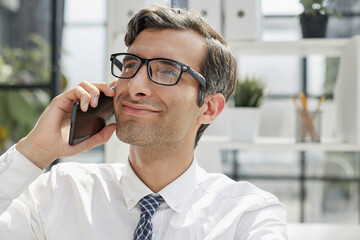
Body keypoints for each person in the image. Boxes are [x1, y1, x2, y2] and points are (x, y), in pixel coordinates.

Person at [0, 5, 287, 240]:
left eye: (167, 71)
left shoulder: (247, 216)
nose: (135, 85)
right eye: (130, 66)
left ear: (209, 108)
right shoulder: (59, 193)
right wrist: (34, 151)